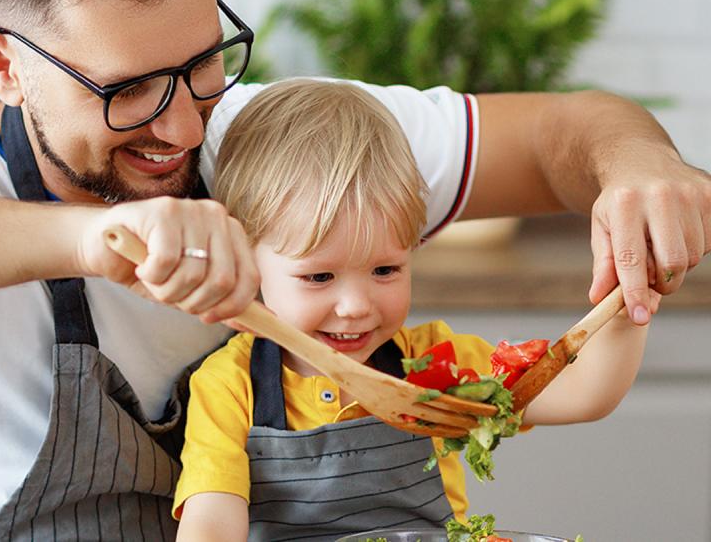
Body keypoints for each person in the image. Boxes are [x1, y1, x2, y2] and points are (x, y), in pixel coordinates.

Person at [0, 0, 711, 539]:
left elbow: (568, 132)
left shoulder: (285, 145)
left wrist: (637, 165)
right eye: (126, 92)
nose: (183, 130)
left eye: (200, 66)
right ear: (3, 63)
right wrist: (90, 236)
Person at [170, 79, 649, 541]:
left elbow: (584, 393)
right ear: (246, 264)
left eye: (385, 270)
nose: (356, 307)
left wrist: (630, 302)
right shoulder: (230, 386)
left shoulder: (440, 364)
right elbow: (212, 520)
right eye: (319, 277)